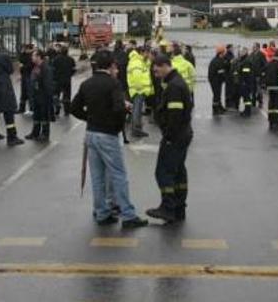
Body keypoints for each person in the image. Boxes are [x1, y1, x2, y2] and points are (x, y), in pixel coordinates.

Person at [71, 50, 149, 228]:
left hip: (91, 134)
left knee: (97, 177)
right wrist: (117, 125)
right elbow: (118, 109)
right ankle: (128, 215)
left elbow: (74, 108)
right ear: (111, 65)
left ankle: (102, 212)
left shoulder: (87, 84)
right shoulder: (113, 84)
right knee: (118, 175)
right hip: (108, 134)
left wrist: (89, 118)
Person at [146, 54, 193, 223]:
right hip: (182, 134)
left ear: (165, 65)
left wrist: (168, 136)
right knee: (178, 172)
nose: (154, 71)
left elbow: (175, 115)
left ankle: (168, 208)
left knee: (164, 171)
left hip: (175, 136)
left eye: (156, 68)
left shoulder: (174, 87)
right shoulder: (176, 83)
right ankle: (179, 207)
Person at [27, 49, 54, 142]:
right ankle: (35, 132)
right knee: (36, 115)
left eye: (33, 56)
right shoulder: (36, 67)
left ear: (39, 57)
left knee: (44, 116)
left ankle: (45, 134)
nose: (32, 58)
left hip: (43, 96)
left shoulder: (45, 68)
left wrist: (48, 97)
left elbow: (48, 84)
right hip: (36, 95)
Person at [126, 45, 152, 138]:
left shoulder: (139, 61)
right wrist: (141, 89)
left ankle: (136, 128)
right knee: (137, 110)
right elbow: (137, 78)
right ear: (142, 52)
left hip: (138, 90)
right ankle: (136, 130)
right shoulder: (137, 62)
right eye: (147, 52)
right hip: (139, 91)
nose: (149, 55)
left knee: (137, 110)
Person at [51, 46, 76, 117]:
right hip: (67, 80)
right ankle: (67, 111)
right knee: (67, 95)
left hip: (57, 80)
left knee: (56, 95)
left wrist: (54, 77)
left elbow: (53, 69)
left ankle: (57, 108)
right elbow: (74, 69)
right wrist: (70, 74)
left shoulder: (56, 59)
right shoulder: (71, 59)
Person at [208, 45, 229, 116]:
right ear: (221, 53)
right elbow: (220, 71)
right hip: (215, 80)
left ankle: (219, 107)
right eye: (224, 53)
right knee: (216, 95)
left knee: (218, 94)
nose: (224, 54)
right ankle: (215, 109)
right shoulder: (216, 61)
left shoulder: (220, 60)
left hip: (218, 80)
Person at [236, 47, 255, 116]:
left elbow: (246, 73)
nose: (239, 53)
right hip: (245, 82)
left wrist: (244, 82)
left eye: (241, 52)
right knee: (245, 97)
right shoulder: (243, 60)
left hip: (246, 83)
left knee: (247, 98)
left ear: (245, 52)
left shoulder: (246, 61)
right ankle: (246, 110)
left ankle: (247, 111)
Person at [17, 44, 35, 114]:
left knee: (30, 92)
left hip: (30, 75)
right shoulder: (23, 55)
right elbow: (20, 61)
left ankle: (32, 108)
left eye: (26, 49)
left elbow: (30, 66)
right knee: (23, 92)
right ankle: (22, 108)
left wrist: (23, 66)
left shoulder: (32, 56)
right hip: (24, 75)